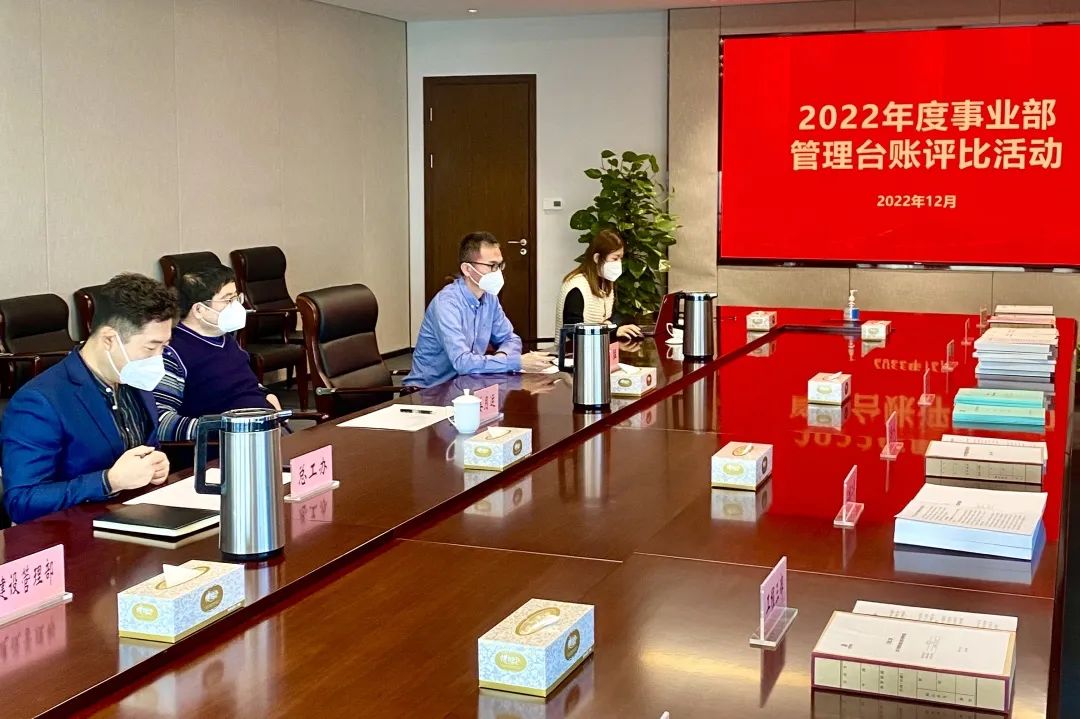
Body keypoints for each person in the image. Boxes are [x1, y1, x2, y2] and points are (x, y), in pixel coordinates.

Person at [0, 274, 176, 523]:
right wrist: (108, 481)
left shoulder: (133, 379)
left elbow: (145, 449)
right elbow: (21, 501)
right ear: (109, 339)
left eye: (164, 346)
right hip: (70, 533)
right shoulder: (40, 401)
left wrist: (154, 465)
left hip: (135, 519)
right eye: (150, 347)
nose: (158, 358)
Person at [404, 231, 553, 388]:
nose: (498, 272)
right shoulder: (447, 304)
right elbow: (462, 362)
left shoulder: (490, 298)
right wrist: (516, 362)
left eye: (500, 265)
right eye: (492, 266)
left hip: (467, 385)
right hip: (428, 390)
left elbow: (510, 339)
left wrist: (502, 357)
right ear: (467, 269)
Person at [154, 265, 280, 442]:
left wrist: (266, 394)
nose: (236, 306)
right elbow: (161, 422)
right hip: (223, 446)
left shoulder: (225, 338)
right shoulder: (172, 352)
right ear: (199, 310)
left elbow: (241, 383)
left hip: (265, 433)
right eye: (228, 300)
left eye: (236, 298)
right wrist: (219, 427)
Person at [555, 229, 642, 340]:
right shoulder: (577, 286)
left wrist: (609, 325)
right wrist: (612, 331)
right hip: (573, 349)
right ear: (597, 258)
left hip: (600, 346)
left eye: (620, 258)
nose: (619, 263)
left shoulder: (606, 283)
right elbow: (573, 331)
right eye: (615, 258)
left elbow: (615, 317)